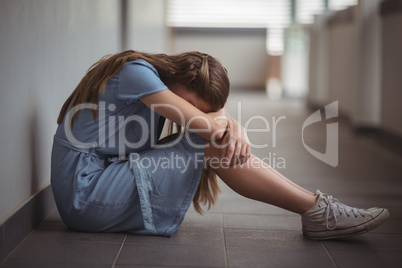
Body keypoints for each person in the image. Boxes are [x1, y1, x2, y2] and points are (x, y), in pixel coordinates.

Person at [51, 50, 389, 240]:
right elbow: (209, 126)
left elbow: (214, 118)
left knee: (213, 135)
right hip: (86, 193)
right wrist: (226, 124)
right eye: (193, 104)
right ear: (179, 81)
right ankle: (317, 211)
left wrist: (231, 122)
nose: (195, 111)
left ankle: (317, 208)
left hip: (99, 182)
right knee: (208, 139)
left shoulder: (151, 76)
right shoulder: (136, 75)